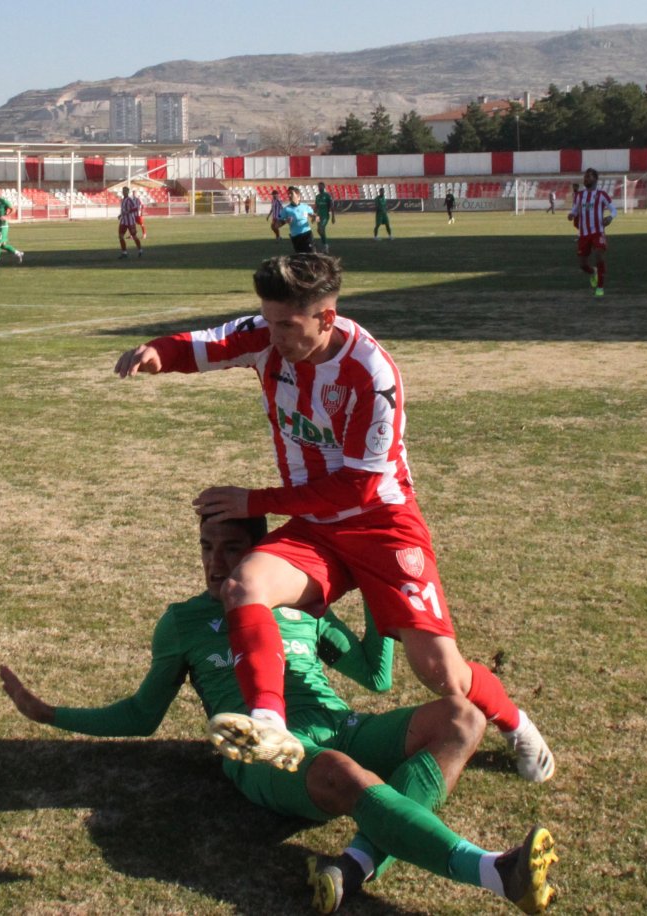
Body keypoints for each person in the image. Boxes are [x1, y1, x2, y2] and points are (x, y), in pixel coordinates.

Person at [113, 253, 555, 786]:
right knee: (244, 586)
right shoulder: (266, 333)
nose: (271, 334)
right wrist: (158, 353)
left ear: (326, 317)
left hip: (381, 524)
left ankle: (517, 725)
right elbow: (208, 346)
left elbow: (358, 486)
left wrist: (256, 501)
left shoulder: (371, 373)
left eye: (286, 325)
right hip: (316, 525)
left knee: (442, 674)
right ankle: (270, 722)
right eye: (267, 319)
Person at [0, 513, 558, 914]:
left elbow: (376, 674)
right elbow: (144, 714)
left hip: (345, 726)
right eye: (205, 548)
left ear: (260, 553)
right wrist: (52, 714)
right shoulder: (183, 622)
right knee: (343, 771)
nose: (216, 563)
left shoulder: (299, 608)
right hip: (264, 752)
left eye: (232, 549)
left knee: (462, 718)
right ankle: (493, 871)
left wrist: (370, 581)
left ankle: (354, 866)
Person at [567, 168, 616, 299]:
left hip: (598, 231)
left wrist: (610, 218)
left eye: (588, 176)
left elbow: (613, 209)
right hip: (584, 234)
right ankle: (593, 272)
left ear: (595, 179)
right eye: (585, 176)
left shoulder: (602, 195)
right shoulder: (579, 196)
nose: (585, 179)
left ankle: (600, 287)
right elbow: (575, 210)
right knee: (583, 265)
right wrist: (572, 214)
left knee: (599, 255)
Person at [0, 186, 24, 271]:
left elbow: (13, 209)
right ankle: (18, 253)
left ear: (1, 192)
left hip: (3, 226)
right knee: (3, 245)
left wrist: (6, 216)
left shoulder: (3, 201)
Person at [279, 186, 317, 253]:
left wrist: (315, 218)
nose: (289, 195)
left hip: (307, 234)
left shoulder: (305, 207)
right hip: (295, 237)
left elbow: (314, 217)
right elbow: (276, 225)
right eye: (288, 194)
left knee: (312, 255)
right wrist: (285, 221)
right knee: (300, 258)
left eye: (291, 193)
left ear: (298, 195)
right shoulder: (286, 209)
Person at [118, 186, 143, 259]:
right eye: (123, 191)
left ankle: (140, 250)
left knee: (134, 236)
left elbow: (136, 208)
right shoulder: (123, 200)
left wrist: (129, 211)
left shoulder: (129, 200)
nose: (123, 192)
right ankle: (124, 252)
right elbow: (123, 210)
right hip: (123, 221)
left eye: (125, 191)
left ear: (127, 192)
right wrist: (120, 215)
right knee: (120, 236)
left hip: (130, 221)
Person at [314, 182, 335, 253]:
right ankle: (325, 245)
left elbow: (331, 205)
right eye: (319, 187)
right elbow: (316, 207)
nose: (320, 188)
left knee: (321, 229)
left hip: (325, 215)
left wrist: (333, 217)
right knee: (319, 230)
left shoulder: (327, 195)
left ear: (324, 187)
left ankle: (325, 245)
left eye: (321, 187)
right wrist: (314, 216)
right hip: (318, 216)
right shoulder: (317, 196)